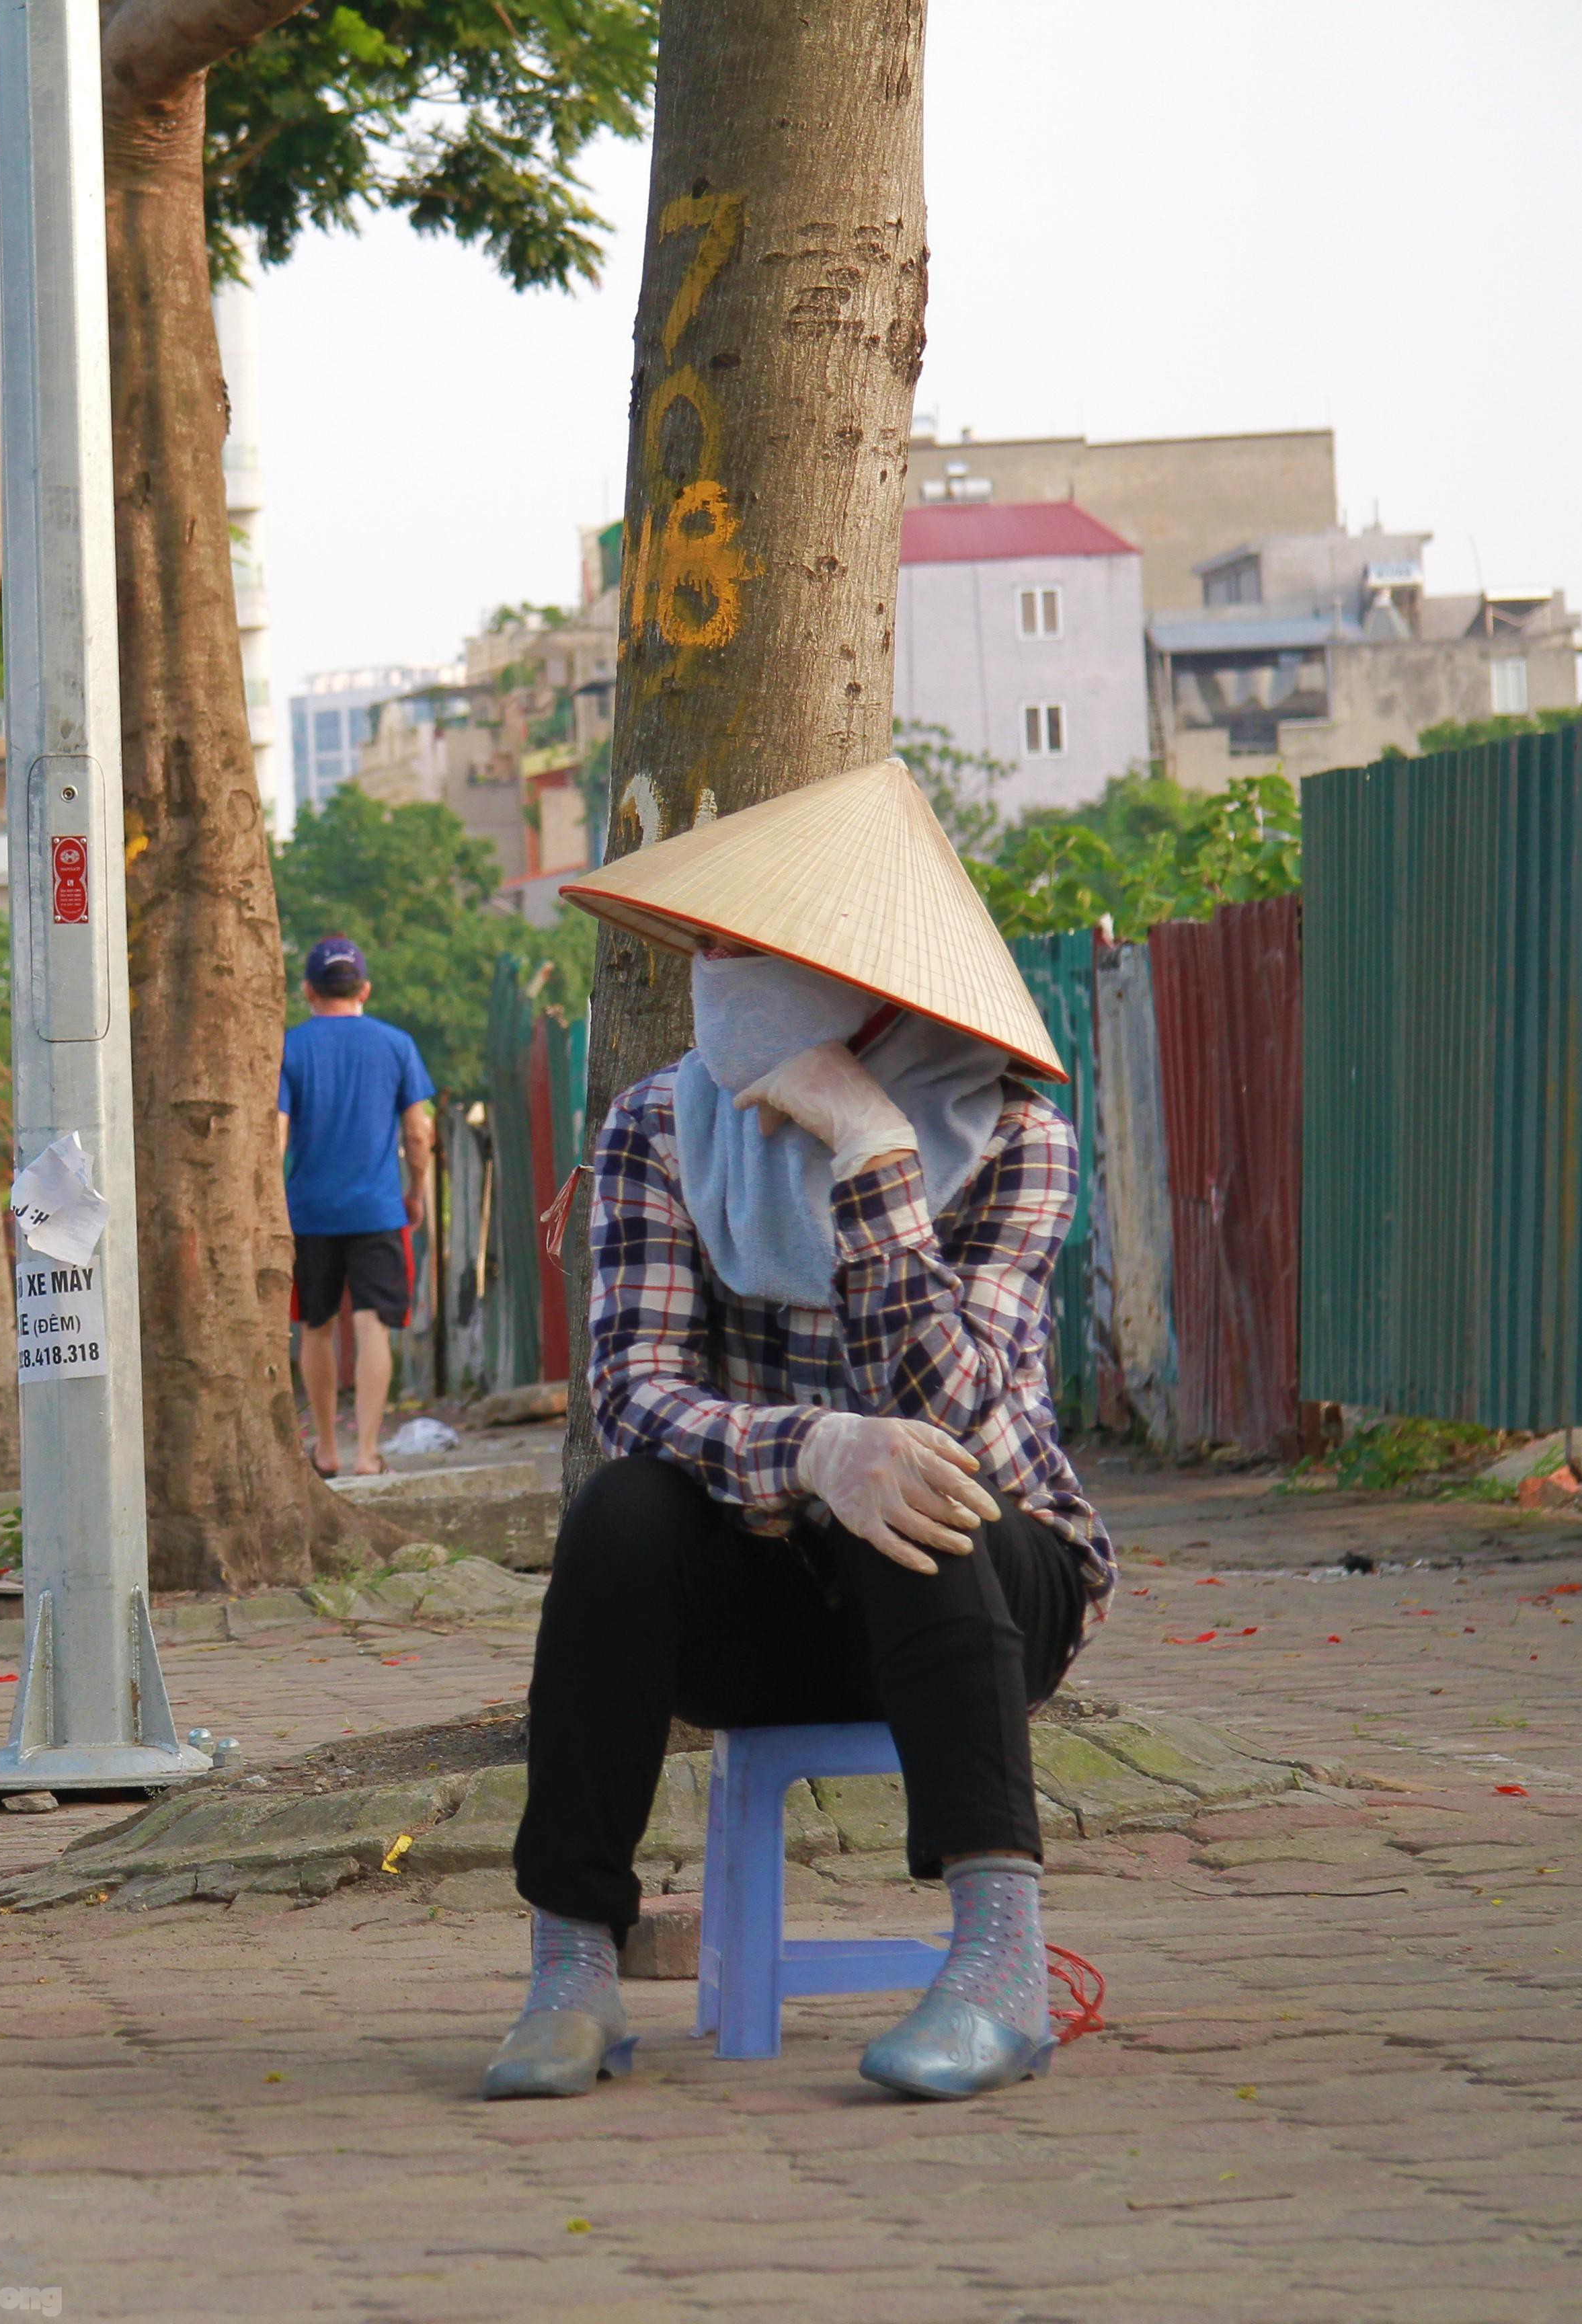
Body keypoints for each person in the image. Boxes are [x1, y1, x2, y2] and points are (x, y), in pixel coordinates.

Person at [485, 759, 1113, 2106]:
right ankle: (571, 1965)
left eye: (746, 942)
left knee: (915, 1474)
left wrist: (872, 1153)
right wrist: (811, 1449)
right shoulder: (660, 1125)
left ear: (853, 969)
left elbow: (963, 1412)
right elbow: (637, 1390)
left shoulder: (1014, 1138)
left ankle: (1002, 1961)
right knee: (622, 1509)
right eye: (704, 939)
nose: (715, 966)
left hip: (995, 1586)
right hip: (764, 1589)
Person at [276, 935, 436, 1479]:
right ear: (363, 988)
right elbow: (418, 1132)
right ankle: (367, 1452)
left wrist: (273, 1201)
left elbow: (276, 1135)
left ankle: (325, 1450)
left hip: (307, 1211)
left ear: (307, 991)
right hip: (377, 1210)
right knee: (373, 1328)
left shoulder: (290, 1049)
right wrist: (416, 1189)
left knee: (316, 1326)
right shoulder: (396, 1045)